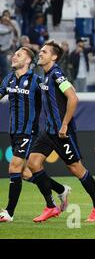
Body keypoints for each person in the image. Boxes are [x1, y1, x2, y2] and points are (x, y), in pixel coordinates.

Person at [27, 41, 95, 222]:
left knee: (76, 169)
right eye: (40, 51)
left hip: (63, 131)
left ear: (53, 57)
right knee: (33, 163)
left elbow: (73, 97)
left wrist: (64, 125)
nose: (40, 53)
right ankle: (51, 206)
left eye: (44, 51)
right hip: (48, 131)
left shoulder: (57, 74)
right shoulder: (46, 76)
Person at [0, 47, 70, 223]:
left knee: (14, 167)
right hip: (14, 132)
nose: (14, 57)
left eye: (19, 55)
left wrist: (60, 123)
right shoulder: (8, 79)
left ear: (28, 61)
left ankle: (8, 212)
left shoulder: (37, 81)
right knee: (24, 173)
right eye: (14, 54)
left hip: (29, 132)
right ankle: (60, 189)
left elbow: (57, 97)